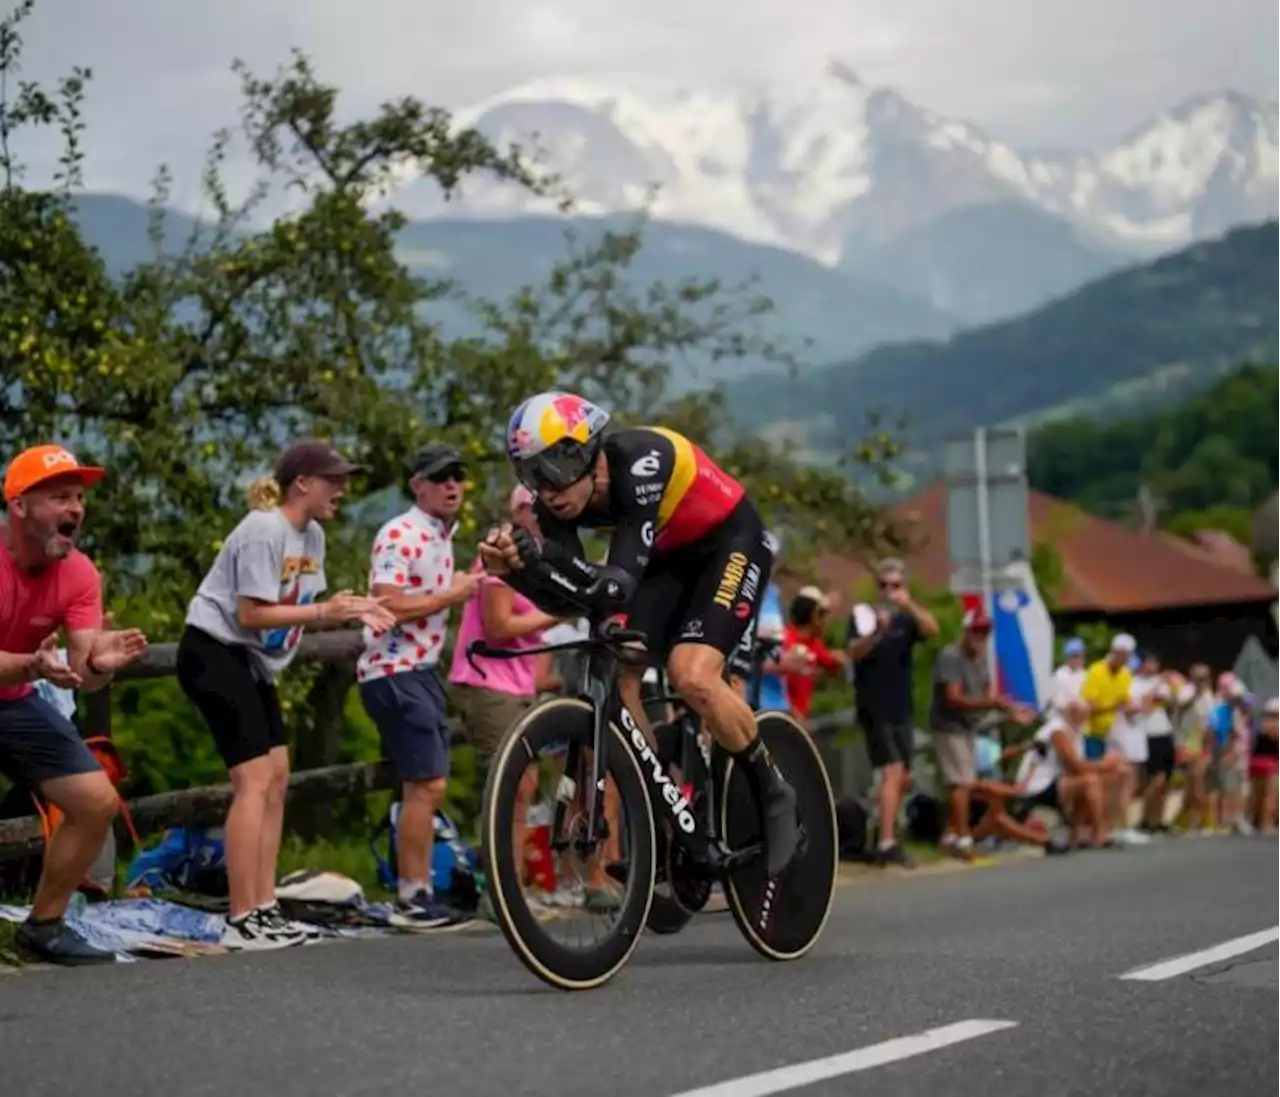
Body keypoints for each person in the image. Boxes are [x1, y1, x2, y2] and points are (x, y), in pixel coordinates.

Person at [478, 392, 801, 877]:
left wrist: (540, 560)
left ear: (585, 452)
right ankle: (666, 825)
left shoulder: (642, 462)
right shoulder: (558, 506)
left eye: (554, 470)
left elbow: (616, 583)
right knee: (618, 665)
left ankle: (774, 789)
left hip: (730, 545)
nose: (547, 491)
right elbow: (574, 600)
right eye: (531, 476)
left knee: (691, 675)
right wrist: (519, 572)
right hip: (665, 563)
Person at [177, 440, 395, 951]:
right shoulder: (263, 529)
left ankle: (263, 905)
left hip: (249, 660)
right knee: (252, 780)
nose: (342, 490)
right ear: (302, 482)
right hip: (212, 650)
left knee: (277, 776)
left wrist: (352, 609)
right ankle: (240, 915)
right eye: (333, 480)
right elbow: (252, 613)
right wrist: (328, 614)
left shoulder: (312, 536)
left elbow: (292, 608)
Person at [0, 445, 149, 965]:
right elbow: (28, 665)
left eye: (80, 498)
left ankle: (42, 926)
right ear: (18, 506)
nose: (76, 509)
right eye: (60, 497)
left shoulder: (80, 573)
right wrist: (31, 666)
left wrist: (99, 664)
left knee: (95, 801)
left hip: (13, 700)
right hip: (17, 682)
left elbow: (83, 675)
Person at [357, 443, 482, 926]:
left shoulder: (439, 534)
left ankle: (419, 887)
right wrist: (451, 594)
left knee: (425, 783)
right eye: (441, 476)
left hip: (418, 669)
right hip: (395, 669)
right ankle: (413, 895)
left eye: (458, 476)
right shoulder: (401, 534)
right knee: (426, 784)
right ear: (417, 485)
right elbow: (386, 603)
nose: (452, 485)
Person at [846, 557, 940, 867]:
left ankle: (886, 832)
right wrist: (876, 634)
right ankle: (886, 843)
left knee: (903, 776)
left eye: (895, 586)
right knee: (892, 770)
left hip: (902, 704)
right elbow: (852, 652)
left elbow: (932, 629)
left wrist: (908, 605)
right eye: (884, 585)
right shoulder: (863, 615)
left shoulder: (906, 619)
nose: (889, 591)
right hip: (875, 703)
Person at [929, 609, 1034, 860]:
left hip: (968, 728)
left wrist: (1009, 712)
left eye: (985, 631)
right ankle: (964, 839)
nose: (981, 636)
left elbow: (985, 700)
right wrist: (994, 704)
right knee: (961, 783)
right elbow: (954, 698)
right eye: (977, 630)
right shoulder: (951, 657)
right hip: (948, 726)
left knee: (964, 782)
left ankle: (951, 837)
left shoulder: (982, 658)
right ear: (966, 631)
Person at [781, 586, 846, 727]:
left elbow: (834, 666)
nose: (827, 621)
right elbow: (779, 686)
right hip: (786, 720)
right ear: (814, 617)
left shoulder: (813, 644)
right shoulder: (786, 641)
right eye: (824, 615)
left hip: (802, 720)